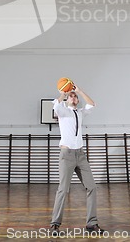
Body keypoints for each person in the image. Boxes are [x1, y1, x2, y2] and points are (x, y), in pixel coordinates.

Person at [50, 84, 104, 235]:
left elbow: (92, 104)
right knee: (63, 189)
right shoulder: (63, 111)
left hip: (80, 155)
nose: (73, 97)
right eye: (71, 96)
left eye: (75, 96)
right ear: (67, 100)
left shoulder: (80, 112)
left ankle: (91, 224)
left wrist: (79, 90)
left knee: (91, 187)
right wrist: (63, 93)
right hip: (66, 155)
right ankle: (55, 224)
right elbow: (56, 106)